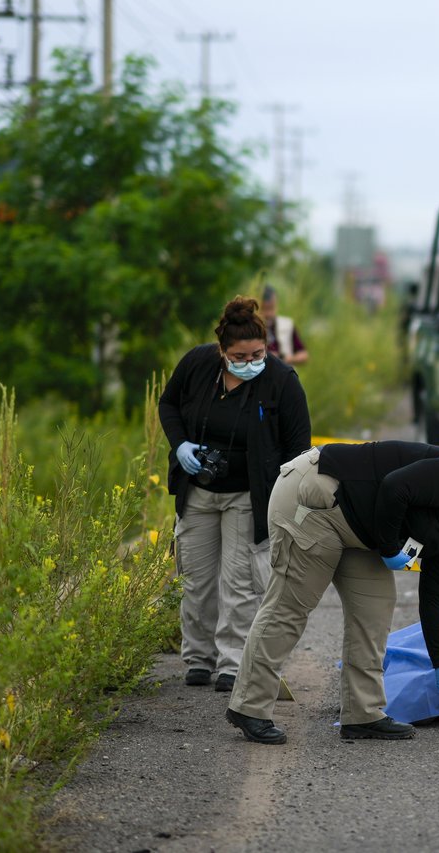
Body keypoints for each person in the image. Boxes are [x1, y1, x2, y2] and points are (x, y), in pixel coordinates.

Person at [225, 441, 439, 744]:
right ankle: (248, 707)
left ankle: (362, 714)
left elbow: (435, 593)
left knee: (375, 606)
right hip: (315, 496)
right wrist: (388, 549)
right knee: (290, 606)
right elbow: (394, 487)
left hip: (360, 525)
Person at [158, 296, 312, 693]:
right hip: (199, 491)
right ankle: (197, 657)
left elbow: (299, 446)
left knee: (241, 583)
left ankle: (232, 663)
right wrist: (180, 446)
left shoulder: (281, 380)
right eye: (239, 356)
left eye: (258, 354)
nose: (250, 362)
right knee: (194, 579)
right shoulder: (197, 364)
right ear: (222, 352)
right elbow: (169, 403)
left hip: (249, 495)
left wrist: (289, 503)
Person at [260, 285, 309, 365]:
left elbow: (304, 355)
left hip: (284, 374)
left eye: (271, 308)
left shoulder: (287, 325)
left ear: (276, 304)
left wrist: (288, 359)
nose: (268, 313)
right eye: (263, 309)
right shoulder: (250, 327)